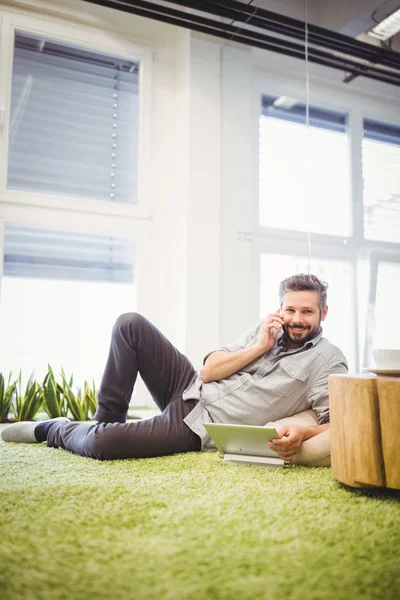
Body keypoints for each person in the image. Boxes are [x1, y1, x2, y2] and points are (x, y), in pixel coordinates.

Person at [2, 273, 348, 465]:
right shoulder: (266, 329)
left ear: (324, 313)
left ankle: (54, 429)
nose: (296, 320)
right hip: (190, 385)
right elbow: (209, 371)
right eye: (290, 310)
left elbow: (335, 423)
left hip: (199, 425)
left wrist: (303, 433)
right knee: (130, 324)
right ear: (280, 308)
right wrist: (259, 346)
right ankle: (107, 418)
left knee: (104, 445)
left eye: (307, 312)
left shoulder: (328, 360)